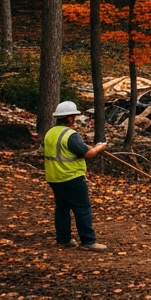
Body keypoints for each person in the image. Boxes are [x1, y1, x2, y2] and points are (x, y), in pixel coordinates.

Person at [43, 101, 108, 251]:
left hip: (54, 177)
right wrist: (99, 147)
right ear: (70, 118)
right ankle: (88, 241)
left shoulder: (50, 133)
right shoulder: (70, 135)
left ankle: (63, 239)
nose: (75, 120)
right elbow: (88, 153)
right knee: (82, 209)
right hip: (71, 177)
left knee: (62, 208)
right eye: (74, 117)